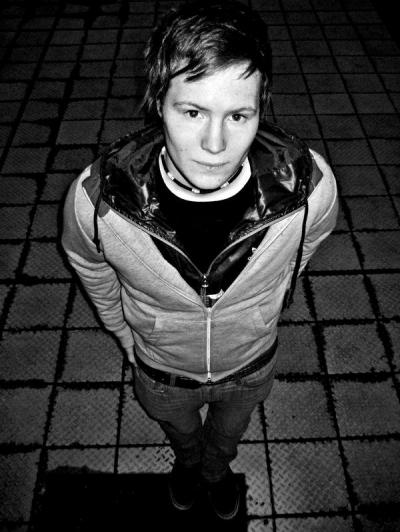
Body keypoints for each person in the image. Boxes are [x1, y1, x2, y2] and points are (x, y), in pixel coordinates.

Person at [62, 0, 338, 521]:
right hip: (161, 370)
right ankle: (189, 465)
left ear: (260, 108)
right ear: (157, 102)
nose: (215, 144)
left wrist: (266, 302)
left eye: (238, 115)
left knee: (228, 435)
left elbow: (307, 244)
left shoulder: (309, 188)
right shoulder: (99, 201)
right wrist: (125, 334)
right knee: (180, 431)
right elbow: (89, 266)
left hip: (251, 363)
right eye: (192, 112)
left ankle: (215, 472)